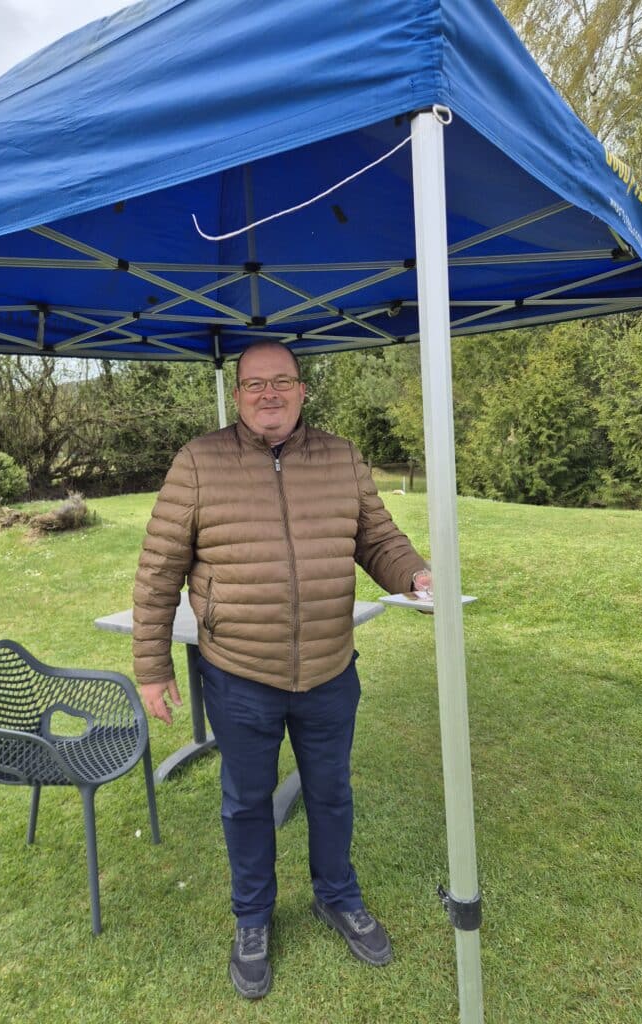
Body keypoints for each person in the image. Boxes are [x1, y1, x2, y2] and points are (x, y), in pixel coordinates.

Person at [132, 340, 431, 999]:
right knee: (245, 803)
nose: (269, 394)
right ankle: (252, 919)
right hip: (240, 676)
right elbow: (158, 574)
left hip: (329, 669)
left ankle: (337, 896)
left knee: (331, 792)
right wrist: (153, 667)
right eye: (255, 384)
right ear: (237, 396)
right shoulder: (198, 463)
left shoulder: (342, 456)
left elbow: (376, 537)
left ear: (303, 390)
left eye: (282, 382)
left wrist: (412, 572)